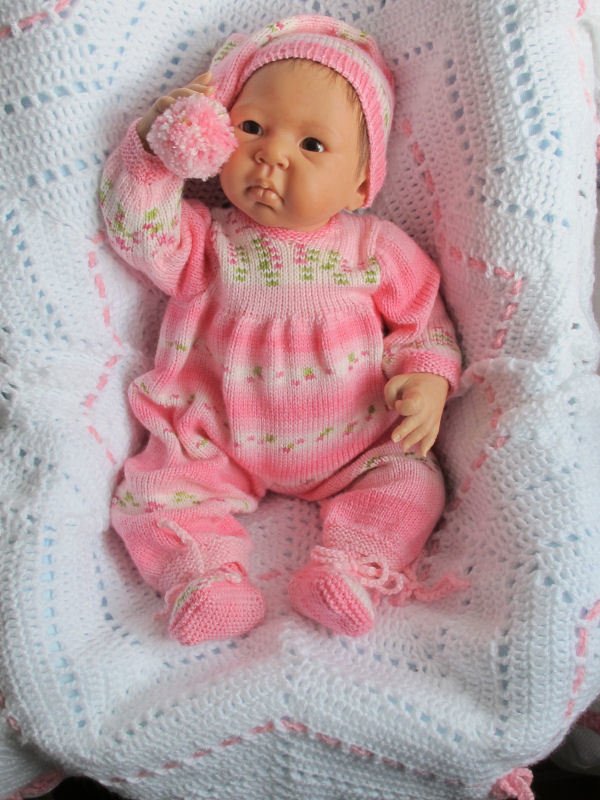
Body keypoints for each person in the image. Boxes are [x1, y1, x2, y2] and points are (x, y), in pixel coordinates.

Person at [99, 14, 462, 646]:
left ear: (361, 181)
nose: (272, 155)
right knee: (150, 493)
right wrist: (155, 156)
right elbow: (138, 230)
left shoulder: (374, 247)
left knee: (411, 482)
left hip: (355, 442)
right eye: (252, 128)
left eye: (312, 145)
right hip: (216, 440)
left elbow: (423, 319)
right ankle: (203, 578)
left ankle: (352, 568)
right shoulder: (206, 240)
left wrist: (427, 380)